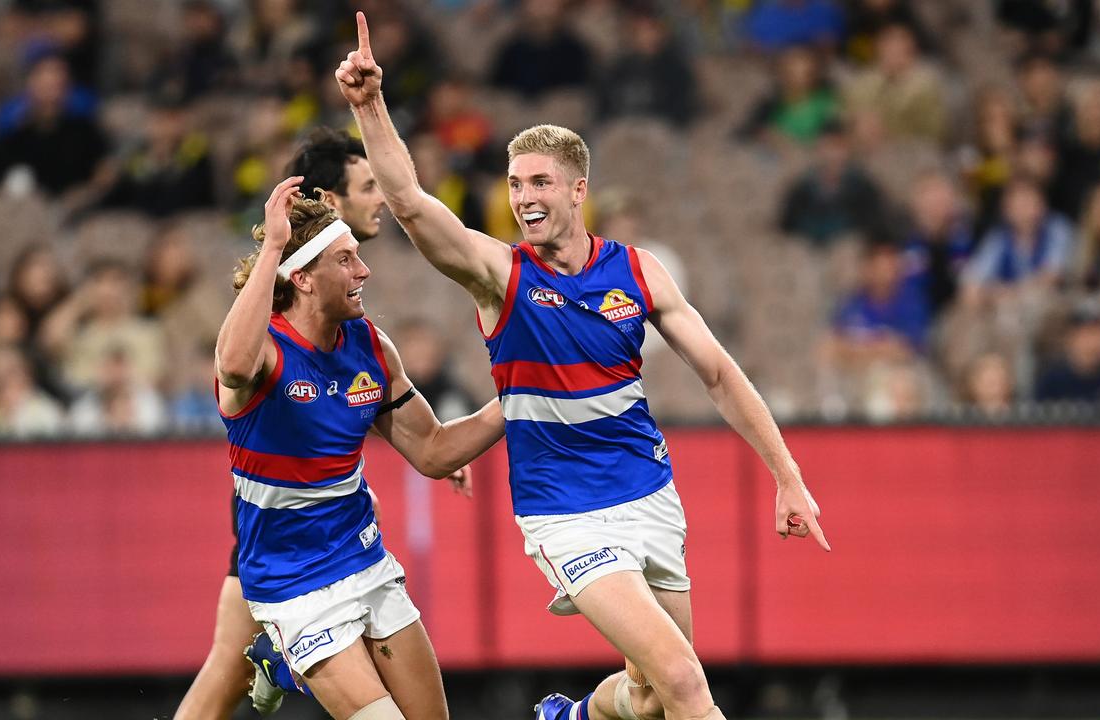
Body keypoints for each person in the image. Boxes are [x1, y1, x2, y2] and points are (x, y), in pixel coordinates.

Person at [336, 14, 828, 720]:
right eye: (514, 183)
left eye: (541, 181)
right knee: (689, 686)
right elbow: (412, 206)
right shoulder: (500, 276)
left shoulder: (638, 271)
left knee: (652, 697)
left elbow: (720, 374)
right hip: (567, 513)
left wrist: (787, 474)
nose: (524, 197)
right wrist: (369, 106)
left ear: (577, 190)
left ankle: (573, 716)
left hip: (649, 491)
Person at [172, 126, 468, 720]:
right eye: (365, 186)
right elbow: (239, 369)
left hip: (334, 527)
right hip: (284, 523)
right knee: (228, 662)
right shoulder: (288, 308)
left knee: (231, 661)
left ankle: (282, 658)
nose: (378, 197)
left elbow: (416, 440)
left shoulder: (354, 319)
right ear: (330, 201)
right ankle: (285, 655)